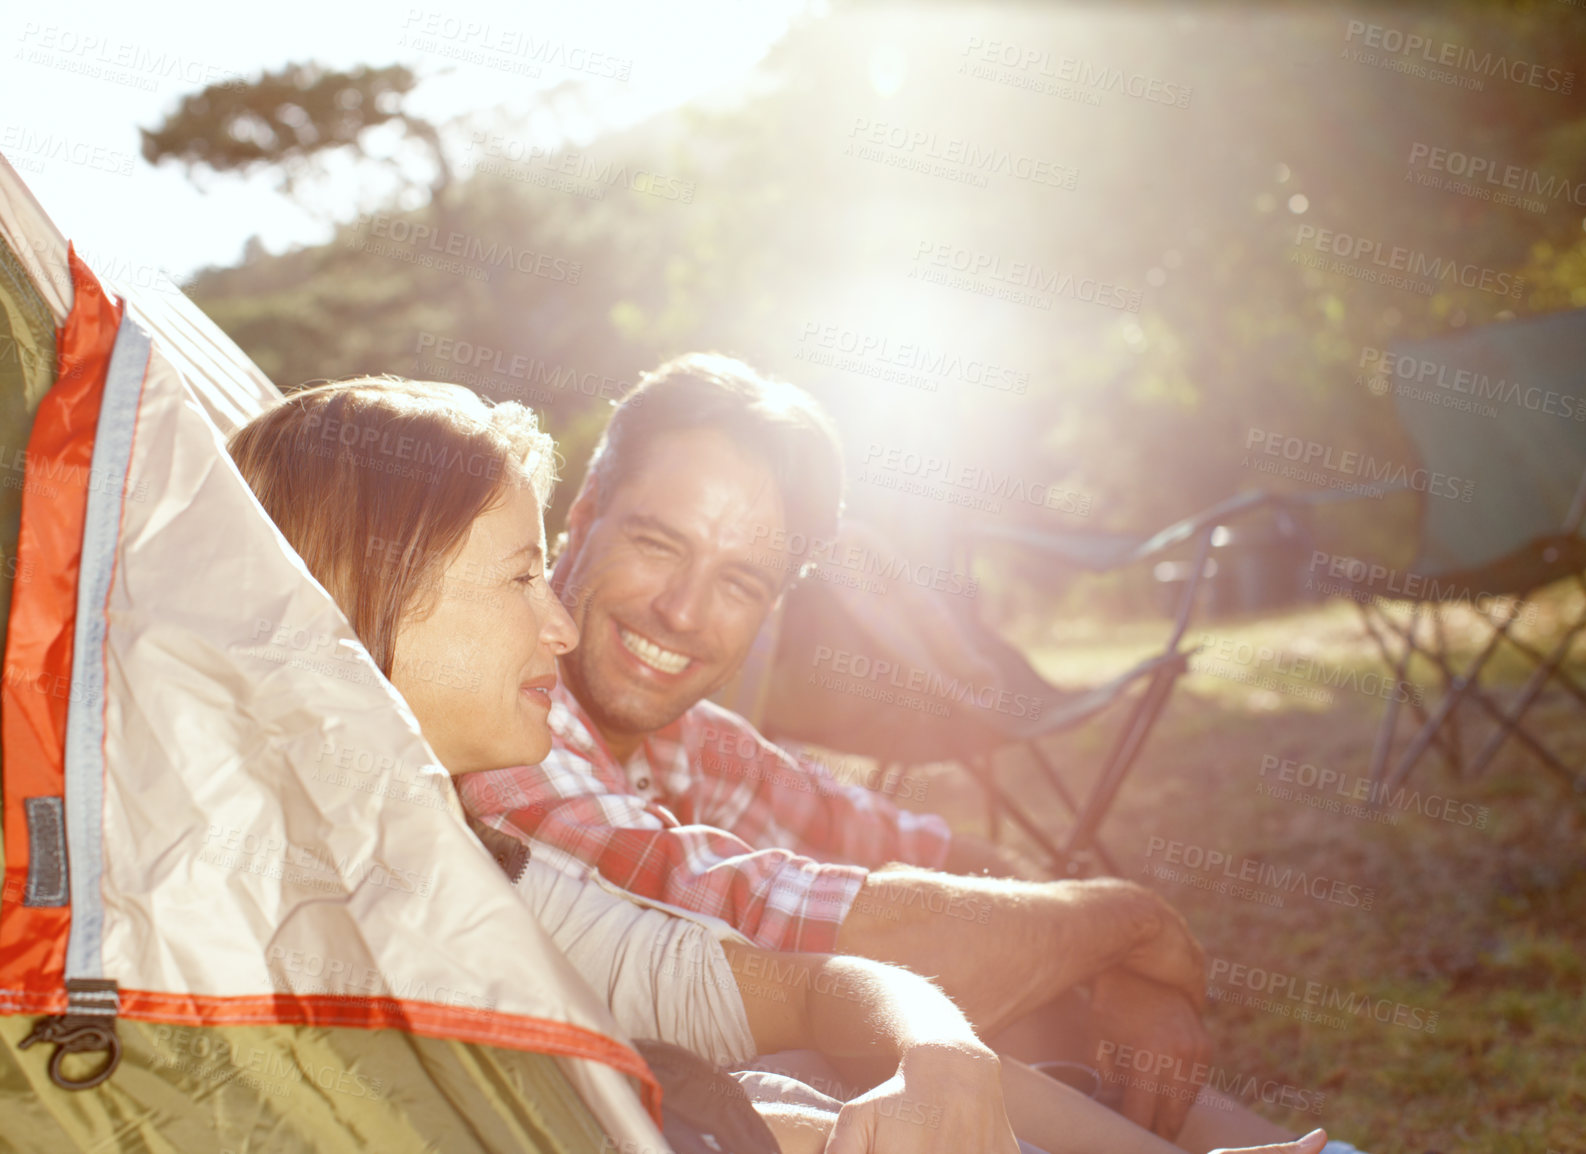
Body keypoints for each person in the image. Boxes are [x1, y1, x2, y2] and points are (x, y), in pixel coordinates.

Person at [228, 376, 1335, 1154]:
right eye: (658, 542)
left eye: (741, 580)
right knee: (862, 1055)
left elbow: (924, 864)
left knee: (996, 1004)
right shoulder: (495, 765)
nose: (680, 610)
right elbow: (783, 951)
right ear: (583, 519)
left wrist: (1094, 950)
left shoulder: (680, 748)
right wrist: (1127, 920)